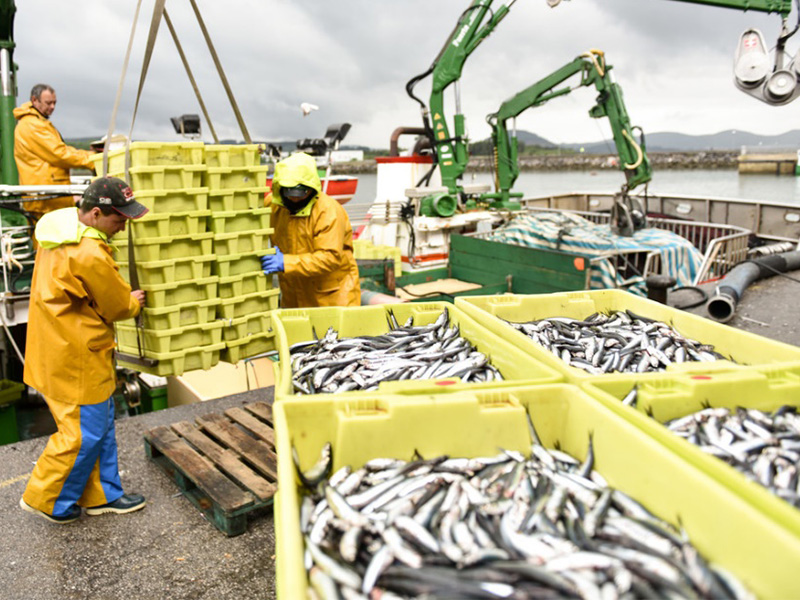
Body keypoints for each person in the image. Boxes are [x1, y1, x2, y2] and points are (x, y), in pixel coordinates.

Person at [20, 177, 149, 524]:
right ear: (95, 213)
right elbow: (115, 305)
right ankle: (48, 499)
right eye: (118, 220)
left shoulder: (59, 230)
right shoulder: (90, 253)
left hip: (58, 346)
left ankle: (102, 494)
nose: (122, 228)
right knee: (82, 434)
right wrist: (132, 302)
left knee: (100, 426)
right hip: (75, 356)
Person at [262, 152, 361, 308]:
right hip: (293, 294)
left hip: (332, 298)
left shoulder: (328, 211)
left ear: (311, 188)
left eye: (299, 193)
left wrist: (285, 262)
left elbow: (330, 258)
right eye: (288, 192)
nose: (294, 198)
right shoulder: (273, 206)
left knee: (335, 332)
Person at [13, 83, 96, 220]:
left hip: (48, 197)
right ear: (34, 100)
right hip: (46, 199)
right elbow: (59, 154)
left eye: (54, 103)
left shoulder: (35, 122)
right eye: (48, 103)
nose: (52, 107)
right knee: (50, 239)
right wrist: (94, 159)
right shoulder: (33, 125)